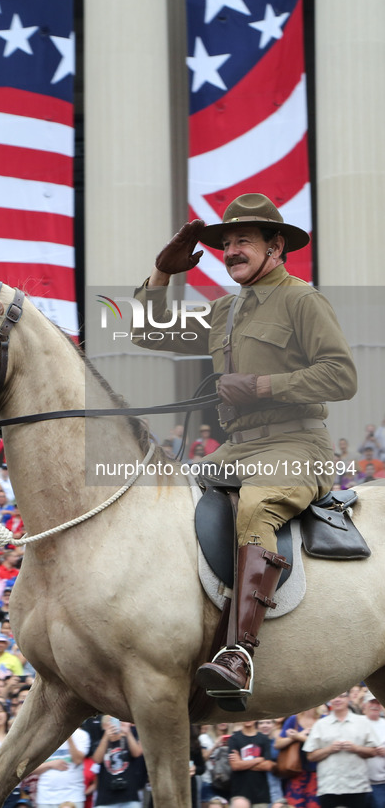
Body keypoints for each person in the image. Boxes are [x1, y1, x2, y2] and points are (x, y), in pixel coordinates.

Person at [133, 193, 357, 705]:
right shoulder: (225, 310)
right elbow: (148, 331)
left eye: (243, 242)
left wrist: (259, 387)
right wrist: (162, 275)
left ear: (275, 247)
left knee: (256, 506)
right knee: (164, 499)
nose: (231, 250)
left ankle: (240, 654)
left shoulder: (303, 300)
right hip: (235, 450)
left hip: (297, 445)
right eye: (226, 243)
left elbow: (342, 375)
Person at [303, 691, 379, 808]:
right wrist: (329, 749)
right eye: (333, 697)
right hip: (329, 787)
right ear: (329, 700)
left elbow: (373, 752)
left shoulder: (363, 722)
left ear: (348, 698)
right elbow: (310, 756)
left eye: (341, 696)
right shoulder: (321, 724)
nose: (337, 699)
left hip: (357, 786)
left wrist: (356, 748)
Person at [92, 715, 144, 808]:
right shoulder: (100, 742)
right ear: (104, 726)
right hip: (105, 799)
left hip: (129, 797)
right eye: (111, 722)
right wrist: (106, 737)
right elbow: (97, 759)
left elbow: (136, 753)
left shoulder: (128, 739)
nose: (115, 724)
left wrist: (127, 733)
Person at [275, 708, 321, 808]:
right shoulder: (293, 720)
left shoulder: (323, 720)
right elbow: (277, 744)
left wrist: (300, 737)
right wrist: (293, 737)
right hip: (296, 772)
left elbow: (325, 746)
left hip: (319, 773)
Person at [34, 727, 90, 808]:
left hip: (73, 797)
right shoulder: (41, 737)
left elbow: (77, 760)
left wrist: (68, 737)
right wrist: (50, 764)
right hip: (46, 797)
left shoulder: (82, 735)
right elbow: (30, 769)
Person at [227, 720, 274, 806]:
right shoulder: (234, 739)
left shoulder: (264, 739)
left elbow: (268, 766)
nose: (247, 719)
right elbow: (235, 766)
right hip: (239, 794)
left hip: (260, 794)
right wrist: (258, 760)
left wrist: (241, 762)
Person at [362, 695, 385, 808]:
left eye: (377, 703)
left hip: (380, 783)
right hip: (358, 783)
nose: (375, 705)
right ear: (364, 705)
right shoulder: (355, 722)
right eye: (371, 702)